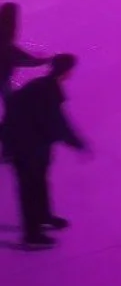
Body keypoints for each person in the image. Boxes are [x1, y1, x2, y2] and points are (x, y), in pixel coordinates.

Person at [1, 54, 87, 247]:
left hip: (35, 144)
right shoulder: (47, 90)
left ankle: (43, 216)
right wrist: (76, 143)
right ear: (66, 72)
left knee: (39, 181)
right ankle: (31, 235)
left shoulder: (46, 85)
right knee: (30, 187)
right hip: (24, 145)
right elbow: (57, 122)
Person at [0, 3, 49, 102]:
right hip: (3, 77)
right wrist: (45, 60)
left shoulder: (7, 44)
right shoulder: (7, 44)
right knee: (10, 102)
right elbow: (22, 59)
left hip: (4, 76)